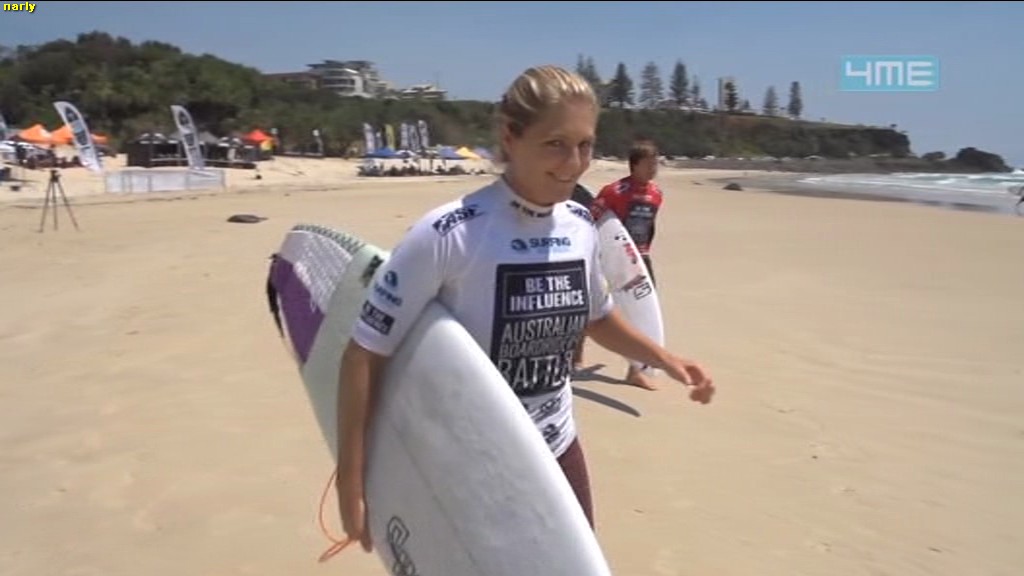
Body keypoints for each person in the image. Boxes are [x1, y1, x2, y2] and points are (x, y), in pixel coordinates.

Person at [334, 65, 714, 553]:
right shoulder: (450, 233)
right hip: (472, 460)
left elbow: (595, 317)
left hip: (558, 447)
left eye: (585, 145)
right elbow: (365, 352)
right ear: (510, 137)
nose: (573, 163)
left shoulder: (580, 225)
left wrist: (664, 358)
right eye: (556, 144)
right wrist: (351, 478)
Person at [574, 141, 665, 390]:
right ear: (635, 165)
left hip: (640, 259)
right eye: (649, 164)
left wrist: (644, 253)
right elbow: (590, 219)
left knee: (640, 309)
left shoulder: (656, 194)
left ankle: (635, 371)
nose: (654, 169)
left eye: (656, 164)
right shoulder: (614, 191)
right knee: (593, 305)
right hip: (609, 258)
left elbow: (650, 227)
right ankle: (576, 356)